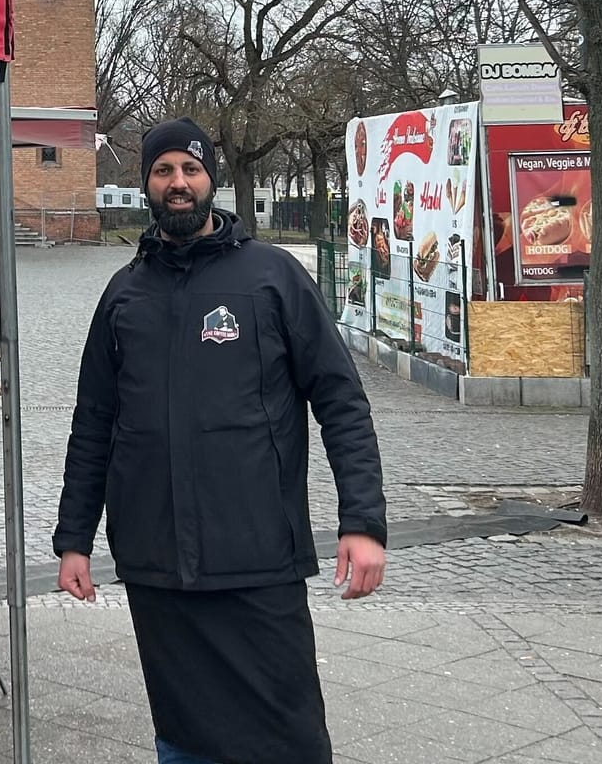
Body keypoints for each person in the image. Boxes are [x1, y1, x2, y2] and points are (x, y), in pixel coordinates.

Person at [53, 117, 387, 764]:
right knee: (184, 736)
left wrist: (363, 521)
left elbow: (341, 401)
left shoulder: (272, 277)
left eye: (190, 170)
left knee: (288, 737)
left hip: (257, 554)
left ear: (212, 181)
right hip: (156, 562)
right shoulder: (124, 294)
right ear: (147, 183)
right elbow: (93, 422)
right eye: (163, 171)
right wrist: (74, 540)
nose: (178, 183)